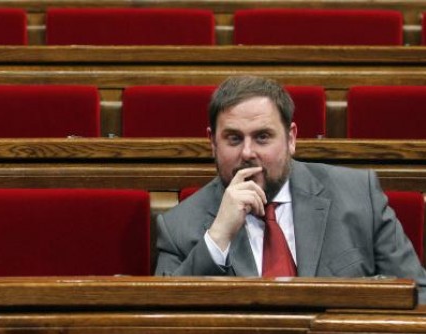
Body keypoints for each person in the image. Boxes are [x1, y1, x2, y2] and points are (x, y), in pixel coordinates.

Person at [155, 75, 426, 303]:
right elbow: (162, 318)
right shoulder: (179, 227)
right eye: (233, 138)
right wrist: (218, 237)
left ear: (291, 139)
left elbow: (418, 294)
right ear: (212, 143)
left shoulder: (358, 196)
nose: (248, 153)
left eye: (263, 137)